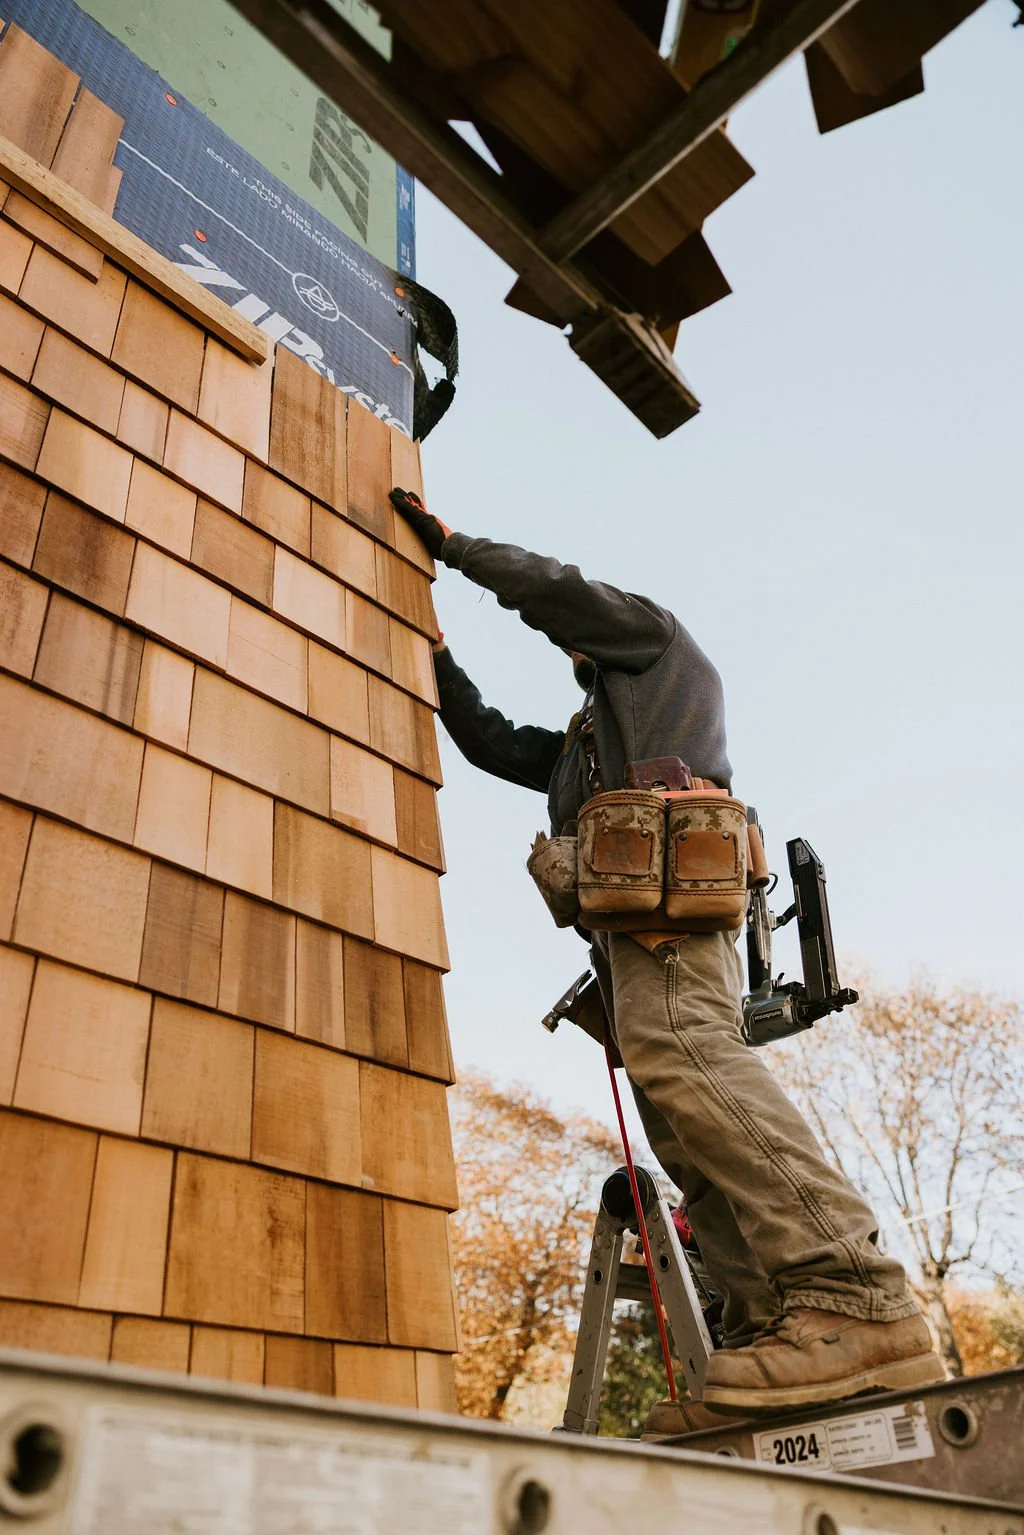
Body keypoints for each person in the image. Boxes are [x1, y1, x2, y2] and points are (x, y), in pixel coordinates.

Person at [388, 487, 944, 1433]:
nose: (574, 642)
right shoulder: (586, 743)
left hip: (671, 917)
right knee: (679, 1124)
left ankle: (854, 1292)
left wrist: (454, 549)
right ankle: (775, 1329)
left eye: (578, 634)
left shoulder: (657, 650)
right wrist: (426, 649)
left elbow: (555, 589)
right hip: (628, 932)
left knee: (693, 1062)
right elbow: (485, 740)